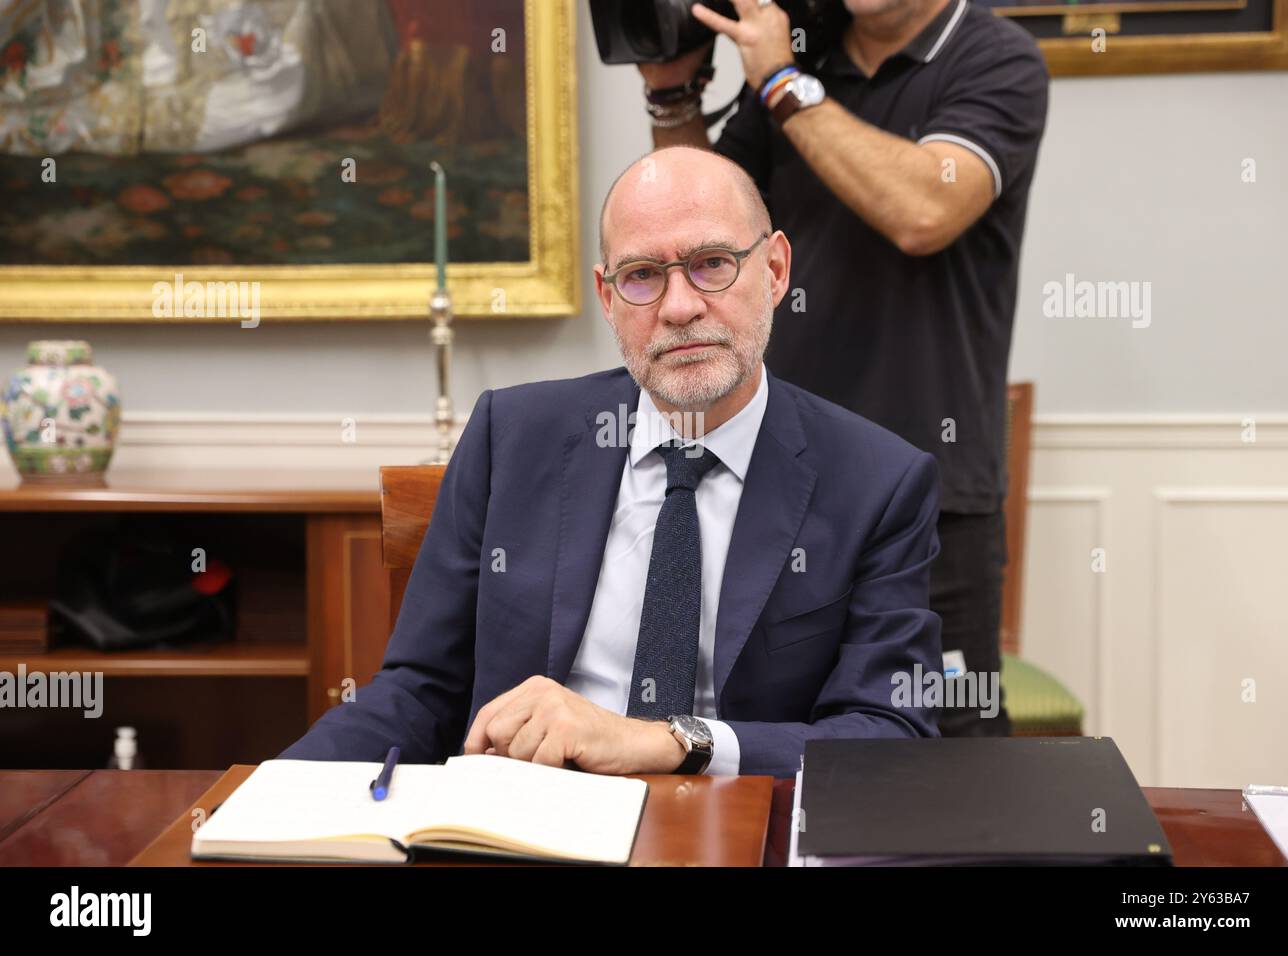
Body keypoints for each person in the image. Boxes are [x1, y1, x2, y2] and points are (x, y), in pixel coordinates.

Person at [282, 146, 942, 778]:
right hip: (528, 828)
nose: (680, 308)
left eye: (713, 264)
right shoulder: (509, 439)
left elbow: (890, 734)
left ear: (774, 271)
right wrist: (272, 797)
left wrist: (664, 742)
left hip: (736, 828)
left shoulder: (878, 483)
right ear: (607, 297)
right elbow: (417, 693)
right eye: (642, 277)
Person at [639, 0, 1050, 736]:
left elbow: (925, 210)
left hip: (936, 489)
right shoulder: (803, 57)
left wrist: (782, 83)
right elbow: (697, 217)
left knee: (947, 754)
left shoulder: (995, 56)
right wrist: (672, 94)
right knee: (773, 731)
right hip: (778, 480)